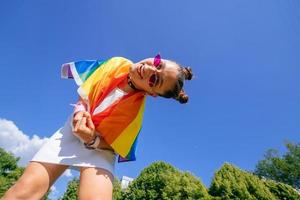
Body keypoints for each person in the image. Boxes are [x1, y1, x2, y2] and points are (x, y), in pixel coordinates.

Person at [2, 54, 193, 200]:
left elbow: (116, 147)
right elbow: (87, 90)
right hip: (72, 130)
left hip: (100, 148)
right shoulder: (117, 63)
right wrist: (78, 111)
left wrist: (92, 140)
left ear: (151, 93)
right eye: (158, 63)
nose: (149, 69)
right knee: (24, 192)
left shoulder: (134, 115)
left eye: (154, 80)